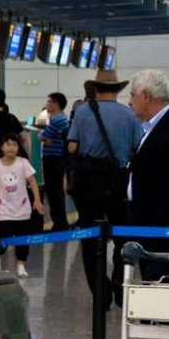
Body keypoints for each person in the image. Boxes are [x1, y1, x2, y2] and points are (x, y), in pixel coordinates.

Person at [67, 69, 143, 304]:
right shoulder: (129, 114)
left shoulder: (82, 111)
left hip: (89, 182)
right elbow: (137, 148)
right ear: (117, 90)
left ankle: (101, 293)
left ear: (95, 88)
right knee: (122, 235)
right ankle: (120, 283)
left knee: (90, 238)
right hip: (119, 180)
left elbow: (72, 147)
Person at [127, 70, 169, 279]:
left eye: (132, 95)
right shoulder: (151, 127)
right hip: (148, 224)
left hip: (161, 228)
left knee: (158, 283)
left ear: (146, 96)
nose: (129, 101)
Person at [0, 133, 45, 278]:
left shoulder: (23, 163)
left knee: (22, 240)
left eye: (14, 144)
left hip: (23, 208)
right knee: (3, 238)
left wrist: (37, 200)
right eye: (8, 144)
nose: (11, 147)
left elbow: (32, 182)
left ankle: (21, 265)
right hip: (5, 210)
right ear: (2, 147)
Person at [40, 92, 71, 231]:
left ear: (56, 104)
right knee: (56, 193)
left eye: (49, 102)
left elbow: (43, 136)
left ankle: (59, 223)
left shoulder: (57, 120)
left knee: (54, 193)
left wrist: (45, 138)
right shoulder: (62, 118)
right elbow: (46, 138)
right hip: (57, 160)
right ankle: (60, 222)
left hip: (53, 160)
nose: (47, 104)